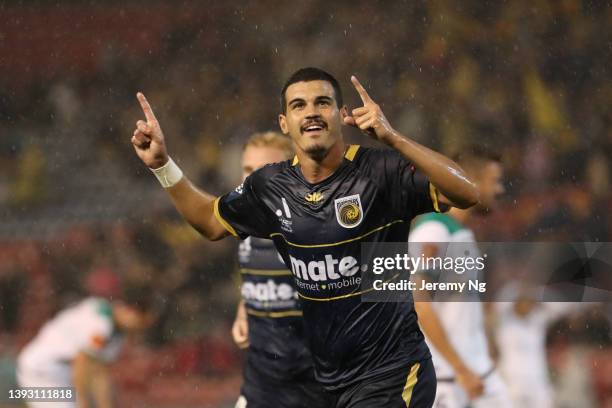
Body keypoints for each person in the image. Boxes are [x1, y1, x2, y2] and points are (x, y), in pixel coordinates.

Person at [130, 67, 479, 407]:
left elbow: (465, 193)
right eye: (299, 105)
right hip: (330, 383)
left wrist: (394, 137)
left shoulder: (380, 170)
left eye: (322, 102)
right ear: (284, 123)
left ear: (342, 114)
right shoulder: (269, 187)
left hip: (394, 372)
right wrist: (162, 165)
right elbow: (209, 221)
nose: (311, 112)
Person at [231, 131, 329, 408]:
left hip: (317, 387)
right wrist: (244, 310)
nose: (251, 181)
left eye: (263, 171)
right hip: (262, 386)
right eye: (247, 170)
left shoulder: (322, 226)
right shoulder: (243, 226)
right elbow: (253, 280)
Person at [408, 147, 511, 407]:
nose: (500, 190)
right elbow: (419, 304)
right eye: (494, 181)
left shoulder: (460, 232)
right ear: (472, 181)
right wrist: (460, 368)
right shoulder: (433, 229)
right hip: (450, 379)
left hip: (477, 371)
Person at [17, 289, 154, 408]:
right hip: (42, 369)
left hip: (59, 371)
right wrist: (84, 403)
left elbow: (100, 372)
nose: (139, 328)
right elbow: (81, 365)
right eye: (139, 321)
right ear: (128, 310)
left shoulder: (111, 323)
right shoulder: (101, 326)